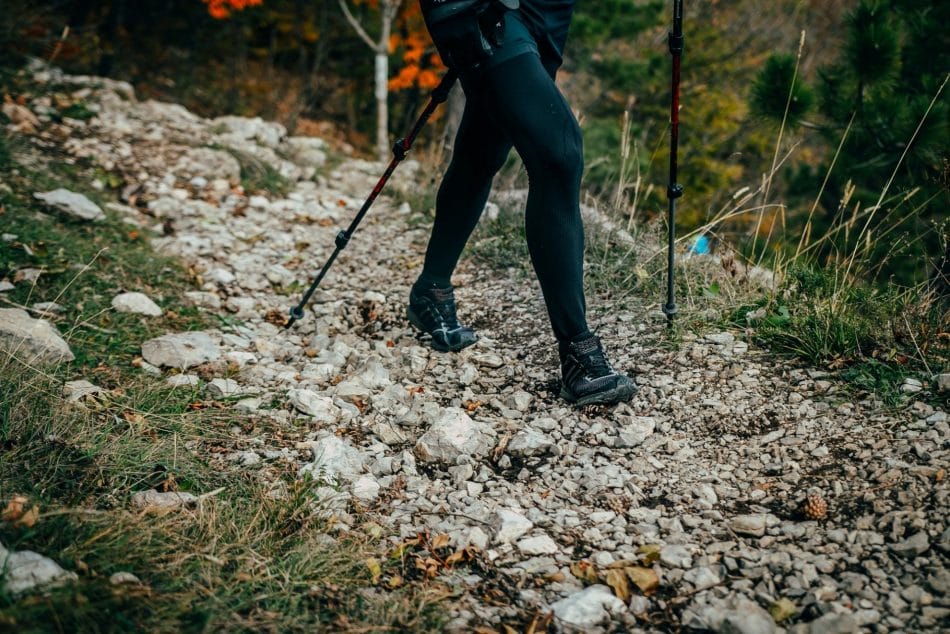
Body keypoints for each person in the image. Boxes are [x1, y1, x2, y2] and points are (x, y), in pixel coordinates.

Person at [409, 0, 636, 406]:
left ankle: (432, 287)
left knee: (484, 150)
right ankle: (578, 353)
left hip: (546, 9)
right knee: (558, 152)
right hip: (480, 6)